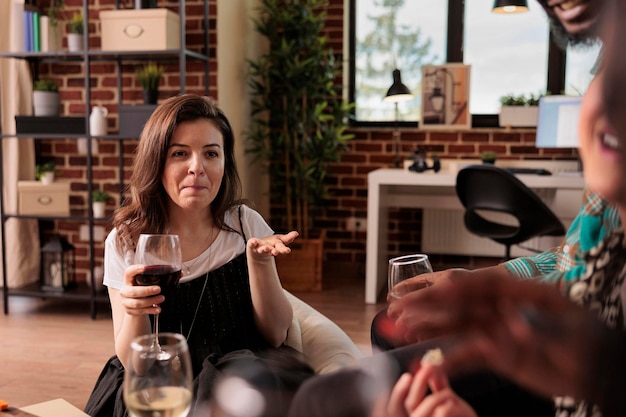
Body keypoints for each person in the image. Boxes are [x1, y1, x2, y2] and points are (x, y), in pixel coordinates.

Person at [84, 94, 314, 417]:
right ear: (156, 161)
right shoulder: (125, 243)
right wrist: (135, 313)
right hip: (160, 385)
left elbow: (276, 335)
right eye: (180, 153)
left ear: (224, 162)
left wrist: (259, 263)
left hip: (240, 380)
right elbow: (134, 364)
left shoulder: (245, 224)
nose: (197, 168)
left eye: (211, 153)